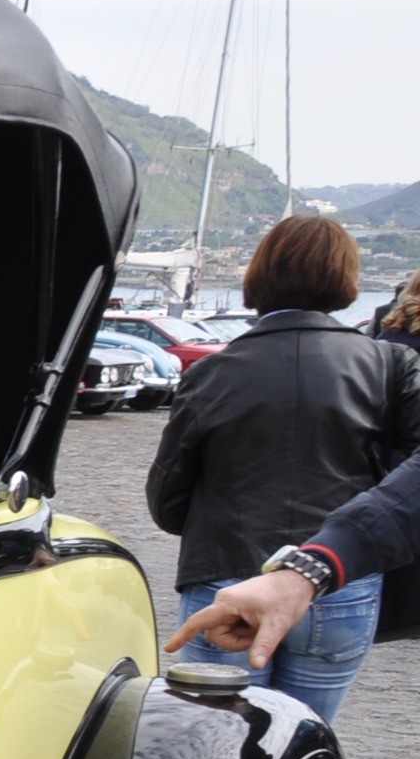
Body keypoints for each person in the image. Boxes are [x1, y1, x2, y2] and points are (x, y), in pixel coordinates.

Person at [144, 215, 420, 721]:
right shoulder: (390, 365)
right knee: (304, 745)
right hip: (340, 582)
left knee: (218, 747)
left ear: (259, 274)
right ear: (346, 276)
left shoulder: (210, 372)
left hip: (227, 577)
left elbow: (167, 502)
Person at [173, 445, 420, 667]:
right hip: (338, 586)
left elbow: (170, 491)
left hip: (226, 566)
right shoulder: (385, 391)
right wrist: (311, 568)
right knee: (307, 716)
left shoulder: (210, 391)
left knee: (226, 712)